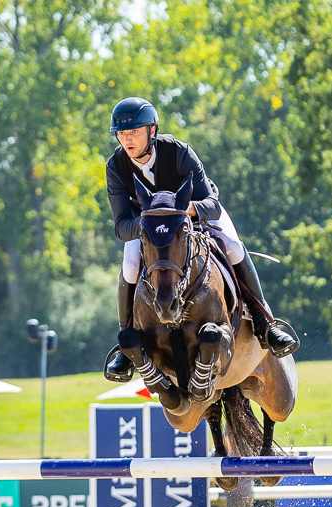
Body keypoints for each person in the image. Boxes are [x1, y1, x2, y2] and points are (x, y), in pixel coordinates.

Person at [102, 97, 299, 383]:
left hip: (194, 215)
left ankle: (263, 322)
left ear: (152, 131)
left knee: (232, 245)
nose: (126, 140)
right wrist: (150, 223)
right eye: (121, 134)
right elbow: (121, 226)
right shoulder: (116, 167)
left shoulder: (179, 152)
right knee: (131, 264)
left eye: (134, 132)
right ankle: (124, 344)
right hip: (148, 229)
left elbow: (212, 202)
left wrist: (188, 211)